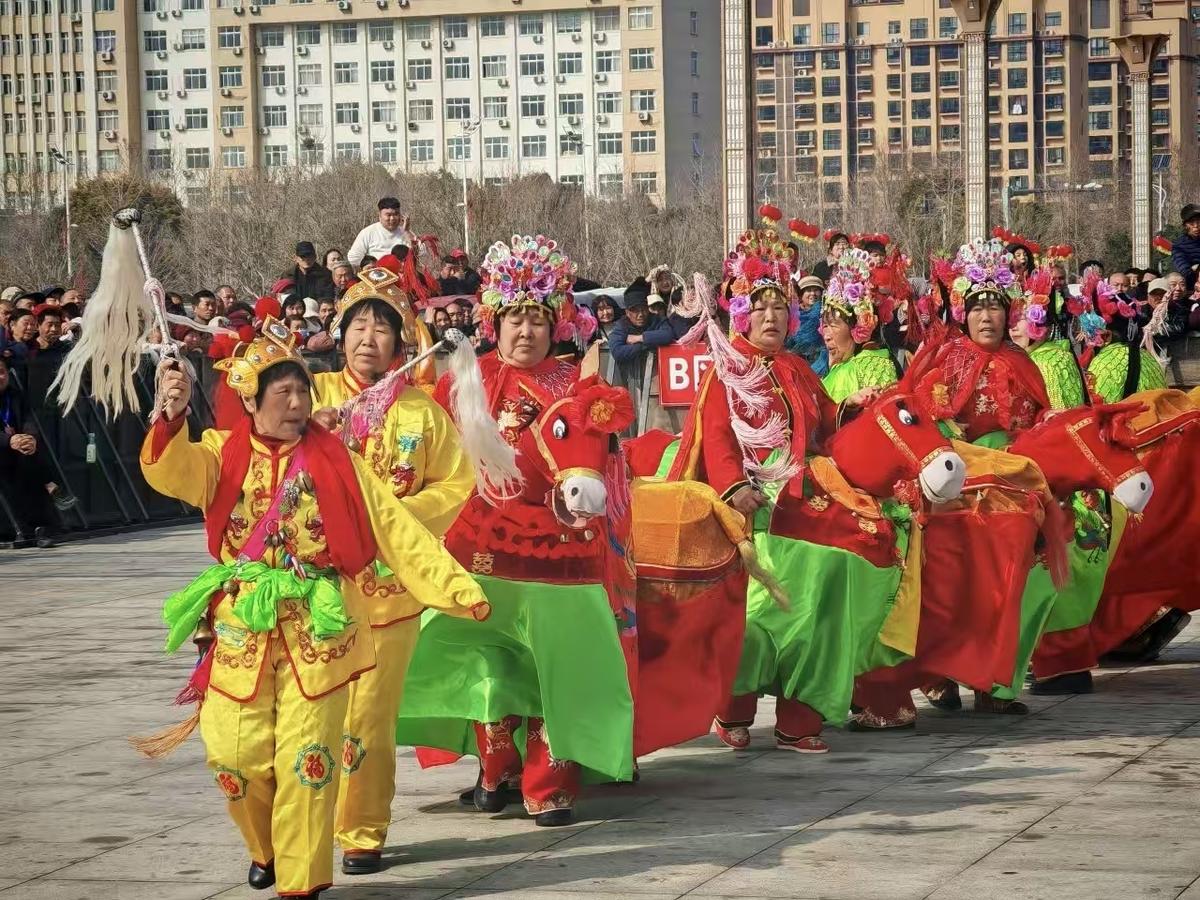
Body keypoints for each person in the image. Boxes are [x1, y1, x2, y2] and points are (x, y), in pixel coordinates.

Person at [140, 318, 490, 899]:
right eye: (283, 393)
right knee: (233, 757)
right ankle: (265, 847)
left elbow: (396, 528)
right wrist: (170, 416)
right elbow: (169, 472)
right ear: (250, 402)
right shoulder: (221, 454)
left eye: (303, 391)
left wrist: (455, 589)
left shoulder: (338, 460)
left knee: (309, 759)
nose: (298, 403)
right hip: (244, 625)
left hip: (320, 630)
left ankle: (301, 882)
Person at [396, 234, 632, 827]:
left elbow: (597, 462)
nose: (526, 331)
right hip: (480, 546)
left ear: (556, 325)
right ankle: (495, 763)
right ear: (493, 322)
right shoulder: (463, 382)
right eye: (514, 319)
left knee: (560, 664)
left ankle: (549, 781)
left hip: (561, 548)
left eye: (537, 320)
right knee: (482, 658)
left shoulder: (577, 386)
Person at [667, 214, 877, 754]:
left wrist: (850, 409)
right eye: (759, 306)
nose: (770, 316)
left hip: (801, 500)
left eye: (779, 306)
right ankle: (732, 705)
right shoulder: (728, 368)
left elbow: (822, 420)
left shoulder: (797, 368)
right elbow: (717, 437)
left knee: (828, 582)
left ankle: (800, 714)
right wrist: (734, 487)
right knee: (755, 610)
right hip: (753, 509)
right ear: (740, 312)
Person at [308, 268, 476, 875]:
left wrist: (395, 518)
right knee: (310, 715)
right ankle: (304, 829)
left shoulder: (422, 412)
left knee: (369, 719)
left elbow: (455, 483)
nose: (368, 338)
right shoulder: (310, 395)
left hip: (389, 593)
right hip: (314, 591)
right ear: (340, 335)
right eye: (358, 325)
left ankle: (361, 829)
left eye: (382, 328)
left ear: (401, 342)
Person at [902, 239, 1049, 446]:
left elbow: (1041, 411)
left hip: (1022, 458)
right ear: (964, 316)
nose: (986, 318)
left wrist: (1047, 417)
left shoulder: (1020, 358)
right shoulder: (950, 358)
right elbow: (918, 412)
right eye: (977, 309)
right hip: (967, 459)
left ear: (1008, 315)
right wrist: (946, 428)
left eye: (994, 308)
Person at [0, 355, 77, 546]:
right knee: (29, 461)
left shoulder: (14, 395)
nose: (0, 377)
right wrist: (9, 440)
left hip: (17, 451)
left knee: (29, 456)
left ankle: (39, 528)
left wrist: (30, 437)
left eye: (1, 372)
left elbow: (29, 420)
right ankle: (50, 486)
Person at [819, 251, 901, 403]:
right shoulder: (841, 366)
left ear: (857, 326)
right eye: (825, 326)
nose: (826, 335)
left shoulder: (873, 366)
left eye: (834, 325)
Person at [1007, 265, 1092, 410]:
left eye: (1021, 319)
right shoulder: (1012, 358)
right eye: (1010, 322)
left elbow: (1063, 417)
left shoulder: (1052, 362)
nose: (1013, 327)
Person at [1087, 274, 1169, 403]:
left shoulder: (1133, 303)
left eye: (1124, 285)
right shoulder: (1100, 303)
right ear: (1108, 285)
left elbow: (1144, 323)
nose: (1120, 288)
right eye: (1116, 285)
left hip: (1136, 351)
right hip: (1110, 354)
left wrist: (1160, 310)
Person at [608, 277, 674, 384]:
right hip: (631, 381)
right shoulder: (622, 325)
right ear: (627, 312)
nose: (640, 315)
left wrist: (640, 338)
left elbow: (667, 334)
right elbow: (617, 351)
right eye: (635, 311)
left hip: (657, 379)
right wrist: (645, 345)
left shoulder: (656, 320)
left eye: (643, 309)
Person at [347, 198, 412, 269]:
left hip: (402, 273)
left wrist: (406, 232)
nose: (392, 218)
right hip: (376, 273)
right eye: (388, 215)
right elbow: (353, 258)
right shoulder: (368, 232)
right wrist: (366, 268)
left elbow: (418, 254)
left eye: (396, 214)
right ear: (380, 215)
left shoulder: (405, 232)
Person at [1171, 204, 1200, 291]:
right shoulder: (1179, 246)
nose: (1196, 226)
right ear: (1185, 225)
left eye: (1199, 221)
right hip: (1191, 288)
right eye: (1191, 223)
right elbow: (1184, 270)